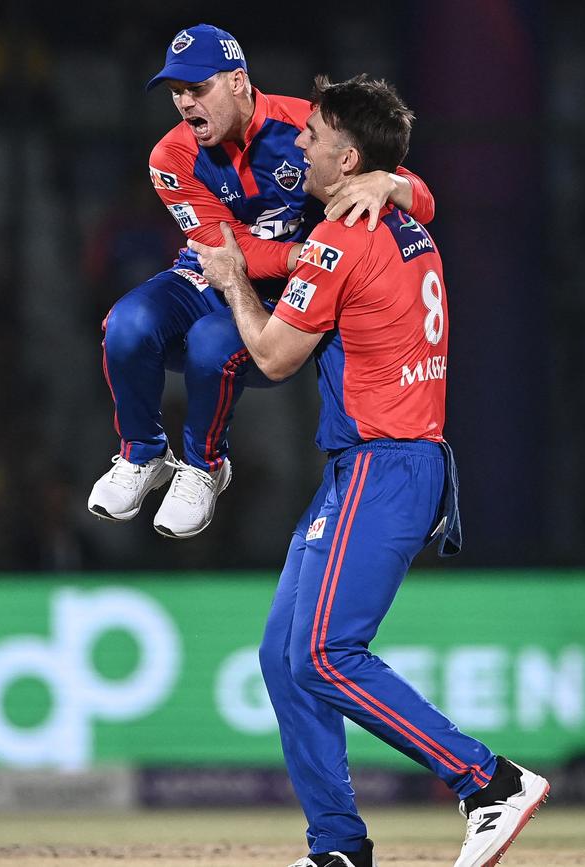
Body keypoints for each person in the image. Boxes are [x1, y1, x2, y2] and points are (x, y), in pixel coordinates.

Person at [190, 75, 549, 867]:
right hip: (382, 462)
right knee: (285, 658)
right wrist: (396, 179)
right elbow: (420, 195)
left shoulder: (339, 236)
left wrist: (233, 282)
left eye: (312, 136)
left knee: (322, 652)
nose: (299, 144)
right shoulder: (400, 213)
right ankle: (338, 847)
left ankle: (488, 780)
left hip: (383, 464)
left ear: (348, 157)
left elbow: (277, 356)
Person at [87, 23, 436, 539]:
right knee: (126, 324)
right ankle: (142, 455)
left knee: (209, 343)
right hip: (214, 273)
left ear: (238, 82)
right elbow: (224, 249)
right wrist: (304, 254)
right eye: (176, 93)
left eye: (197, 88)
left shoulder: (307, 130)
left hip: (282, 303)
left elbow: (424, 202)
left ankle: (204, 469)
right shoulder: (171, 157)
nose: (184, 103)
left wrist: (389, 180)